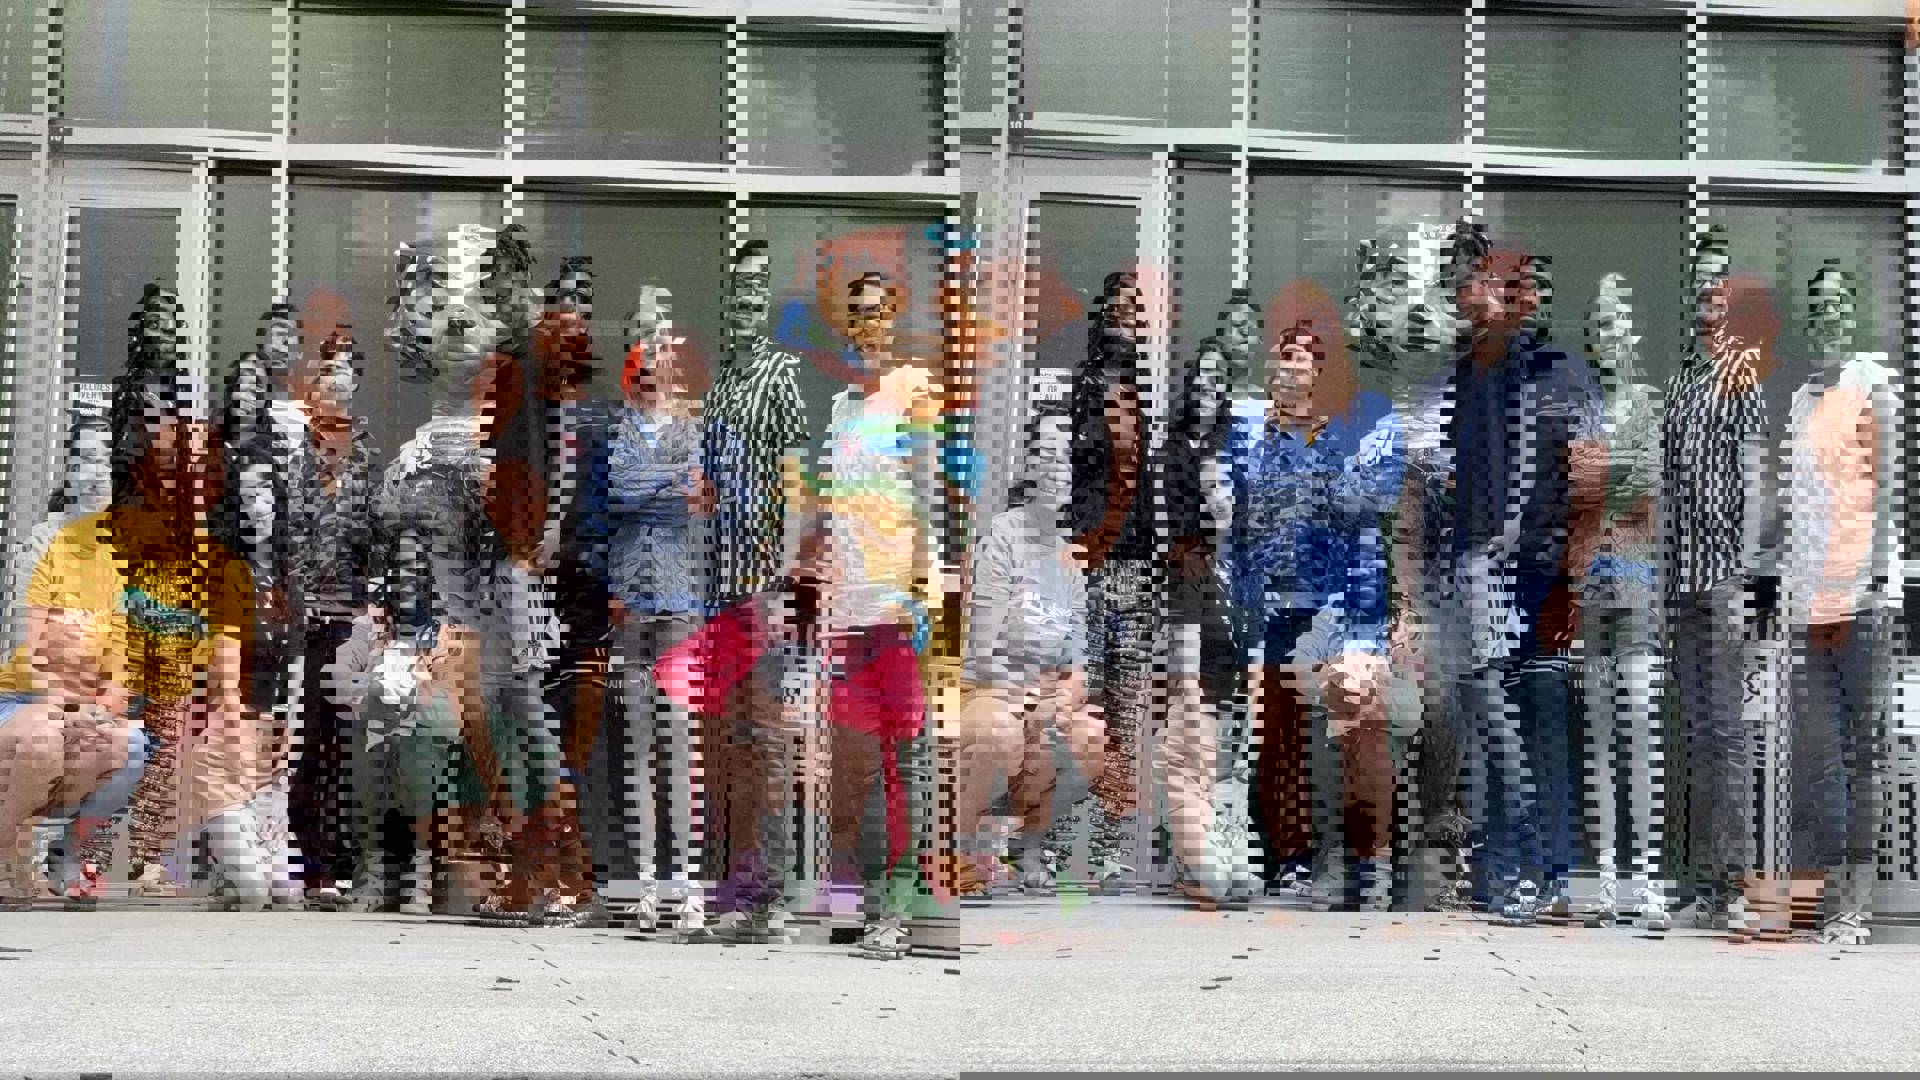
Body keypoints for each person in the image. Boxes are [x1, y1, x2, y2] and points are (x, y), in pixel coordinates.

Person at [0, 364, 255, 910]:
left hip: (130, 684)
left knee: (136, 745)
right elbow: (28, 645)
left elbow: (144, 644)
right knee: (51, 740)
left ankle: (88, 852)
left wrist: (217, 689)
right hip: (39, 694)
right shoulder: (56, 543)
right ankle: (18, 849)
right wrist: (69, 699)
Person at [1447, 249, 1606, 925]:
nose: (1487, 297)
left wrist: (1570, 580)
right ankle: (1509, 872)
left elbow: (1591, 480)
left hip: (1538, 577)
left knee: (1531, 727)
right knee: (1494, 726)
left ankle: (1544, 874)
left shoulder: (1561, 373)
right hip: (1481, 575)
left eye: (1508, 288)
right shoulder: (1468, 376)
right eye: (1483, 285)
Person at [815, 271, 940, 959]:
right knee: (850, 767)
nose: (869, 325)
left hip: (894, 608)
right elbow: (831, 511)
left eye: (879, 312)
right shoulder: (839, 408)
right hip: (846, 609)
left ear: (894, 319)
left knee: (897, 766)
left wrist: (922, 595)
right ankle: (852, 899)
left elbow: (926, 498)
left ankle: (897, 907)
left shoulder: (913, 393)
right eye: (857, 314)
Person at [1781, 261, 1899, 945]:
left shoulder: (1873, 385)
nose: (1828, 315)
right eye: (1817, 304)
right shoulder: (1801, 397)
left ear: (1852, 313)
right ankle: (1829, 897)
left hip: (1863, 604)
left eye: (1837, 303)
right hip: (1811, 607)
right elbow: (1799, 507)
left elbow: (1883, 493)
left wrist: (1874, 583)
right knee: (1821, 758)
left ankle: (1855, 902)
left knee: (1863, 756)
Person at [1660, 228, 1772, 932]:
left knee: (1729, 734)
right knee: (1695, 732)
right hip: (1682, 582)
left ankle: (1733, 880)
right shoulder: (1678, 385)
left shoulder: (1747, 382)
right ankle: (1700, 878)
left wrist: (1750, 574)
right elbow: (1668, 488)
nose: (1708, 306)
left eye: (1718, 293)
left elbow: (1758, 485)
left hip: (1727, 580)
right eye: (1699, 293)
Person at [955, 400, 1103, 899]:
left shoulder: (1069, 557)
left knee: (1091, 740)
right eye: (1049, 455)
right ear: (1030, 465)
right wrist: (1026, 693)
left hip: (1039, 693)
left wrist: (1067, 691)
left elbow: (1078, 654)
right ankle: (959, 844)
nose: (1059, 469)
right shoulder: (1002, 537)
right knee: (1000, 733)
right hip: (992, 688)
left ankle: (1028, 844)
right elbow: (978, 649)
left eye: (1069, 458)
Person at [605, 285, 709, 933]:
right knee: (639, 750)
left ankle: (689, 885)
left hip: (679, 604)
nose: (651, 375)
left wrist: (667, 485)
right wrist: (668, 482)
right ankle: (645, 884)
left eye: (660, 364)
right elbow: (619, 491)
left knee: (680, 750)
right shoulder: (617, 431)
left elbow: (696, 500)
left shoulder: (691, 432)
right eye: (642, 367)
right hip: (630, 606)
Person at [1576, 275, 1670, 930]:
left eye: (1618, 322)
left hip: (1636, 582)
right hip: (1592, 584)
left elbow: (1645, 497)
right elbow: (1574, 493)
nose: (1609, 335)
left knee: (1639, 727)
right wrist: (1608, 484)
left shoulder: (1646, 405)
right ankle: (1607, 875)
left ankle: (1647, 874)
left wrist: (1603, 484)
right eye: (1599, 324)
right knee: (1601, 735)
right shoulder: (1583, 410)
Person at [1158, 312, 1245, 907]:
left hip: (1236, 674)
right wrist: (1188, 686)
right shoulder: (1189, 555)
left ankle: (1216, 858)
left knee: (1227, 764)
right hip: (1196, 667)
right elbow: (1184, 623)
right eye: (1202, 379)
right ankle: (1196, 863)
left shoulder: (1248, 560)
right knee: (1192, 753)